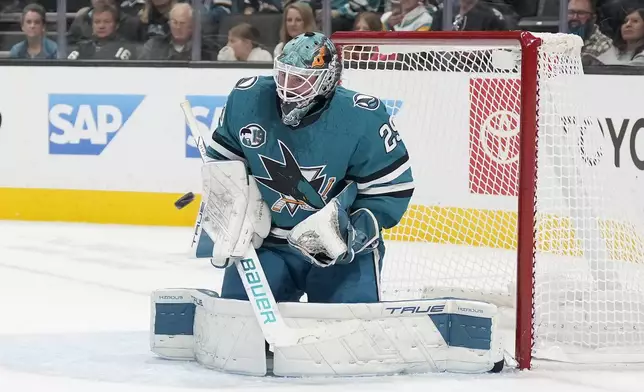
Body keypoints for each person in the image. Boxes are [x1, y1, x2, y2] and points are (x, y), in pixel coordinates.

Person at [199, 31, 414, 304]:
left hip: (337, 255)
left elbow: (391, 190)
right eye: (284, 75)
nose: (287, 87)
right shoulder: (248, 99)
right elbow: (224, 170)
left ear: (327, 80)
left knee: (343, 335)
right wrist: (230, 219)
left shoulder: (362, 116)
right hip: (269, 245)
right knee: (237, 325)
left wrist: (352, 234)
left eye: (300, 80)